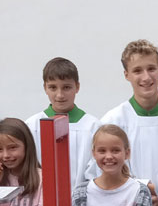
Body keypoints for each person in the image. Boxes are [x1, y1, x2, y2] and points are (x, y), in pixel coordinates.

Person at [24, 57, 101, 189]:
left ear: (77, 87)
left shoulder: (92, 126)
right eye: (53, 88)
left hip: (83, 201)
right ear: (45, 88)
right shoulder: (32, 125)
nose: (60, 95)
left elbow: (96, 171)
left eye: (66, 87)